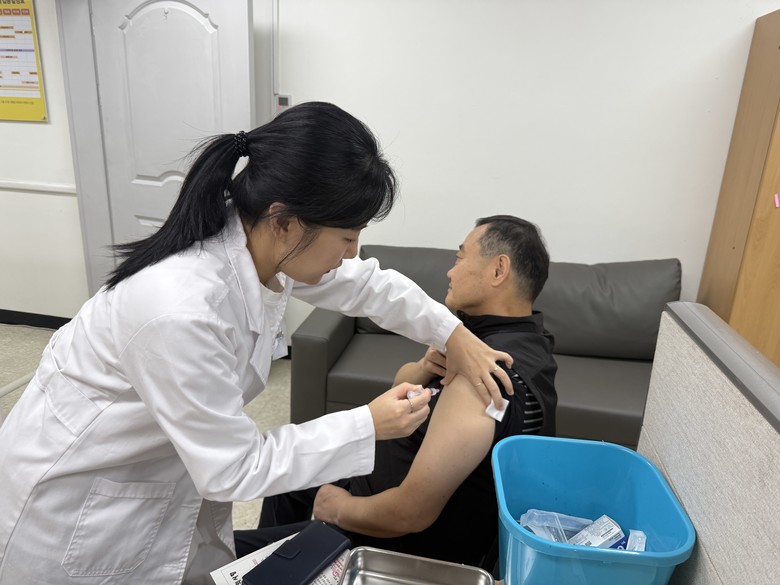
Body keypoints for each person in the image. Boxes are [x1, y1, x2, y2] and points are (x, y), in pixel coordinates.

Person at [0, 103, 515, 585]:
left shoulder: (260, 242)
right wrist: (367, 424)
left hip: (160, 482)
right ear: (285, 220)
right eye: (346, 236)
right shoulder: (179, 308)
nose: (352, 253)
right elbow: (233, 468)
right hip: (74, 511)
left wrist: (454, 334)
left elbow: (366, 285)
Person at [235, 215, 558, 567]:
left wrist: (339, 509)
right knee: (287, 481)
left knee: (222, 558)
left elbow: (410, 513)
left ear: (498, 270)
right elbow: (403, 383)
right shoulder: (518, 342)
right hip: (370, 479)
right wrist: (425, 368)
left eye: (460, 257)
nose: (450, 272)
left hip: (382, 534)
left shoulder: (482, 379)